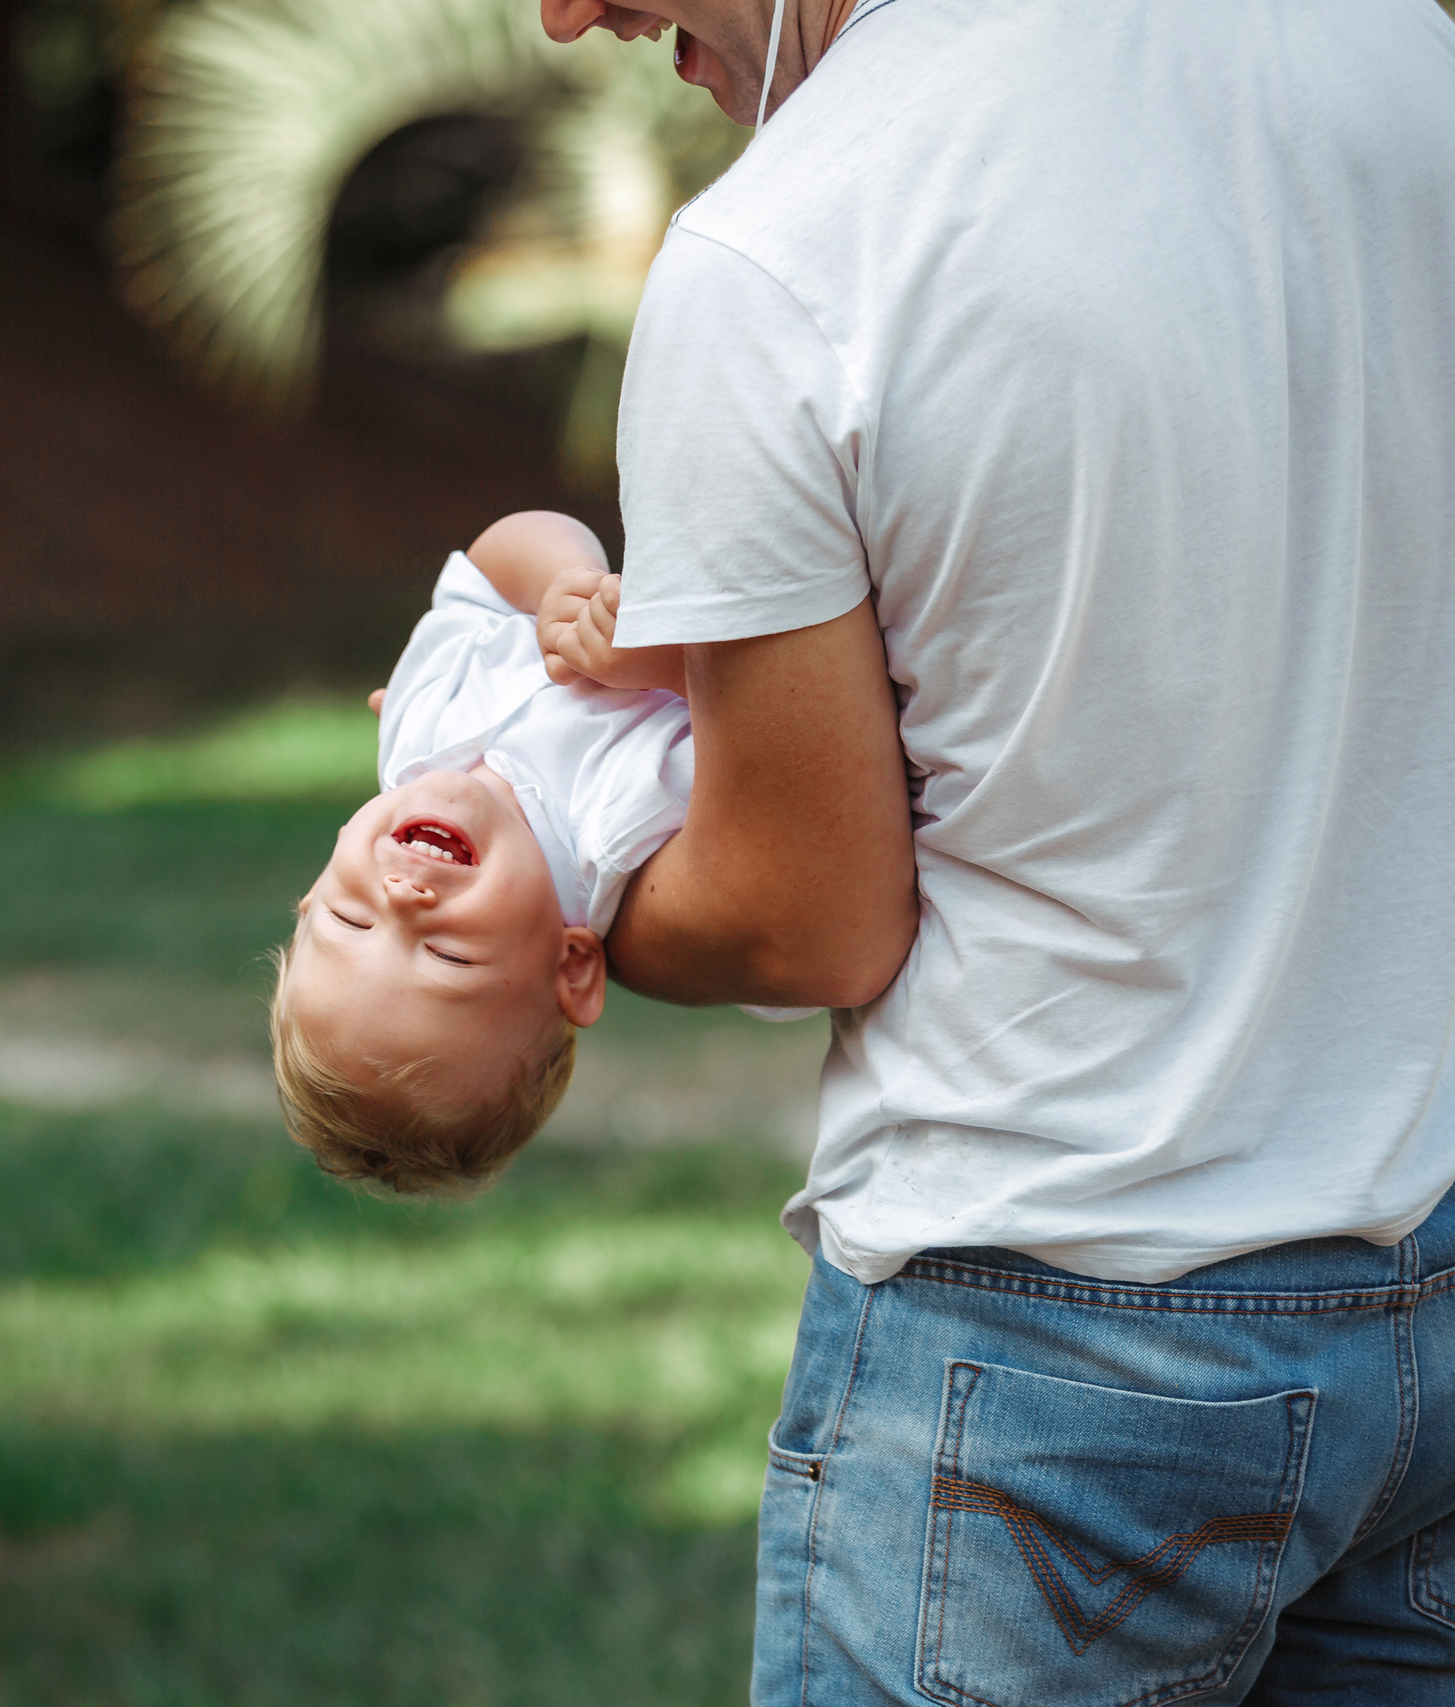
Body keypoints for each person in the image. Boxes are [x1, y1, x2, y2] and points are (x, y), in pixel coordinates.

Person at [524, 0, 1455, 1700]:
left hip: (1044, 1351)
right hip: (1428, 1277)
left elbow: (808, 917)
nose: (570, 13)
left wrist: (562, 891)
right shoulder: (1400, 53)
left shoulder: (792, 248)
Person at [269, 510, 690, 1191]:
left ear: (315, 889)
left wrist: (565, 584)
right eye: (446, 954)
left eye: (351, 919)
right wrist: (681, 670)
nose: (403, 900)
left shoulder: (414, 726)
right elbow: (787, 734)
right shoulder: (625, 818)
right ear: (573, 965)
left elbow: (489, 565)